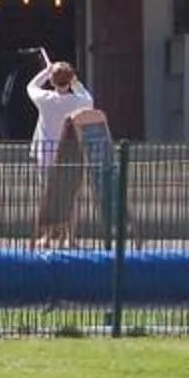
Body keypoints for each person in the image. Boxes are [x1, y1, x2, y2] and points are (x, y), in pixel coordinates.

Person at [26, 55, 111, 247]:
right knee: (71, 198)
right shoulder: (80, 101)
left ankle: (47, 237)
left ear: (53, 82)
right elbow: (88, 96)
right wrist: (74, 81)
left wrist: (46, 72)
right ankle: (71, 239)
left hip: (47, 156)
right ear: (70, 80)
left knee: (49, 196)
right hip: (71, 156)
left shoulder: (45, 99)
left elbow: (30, 86)